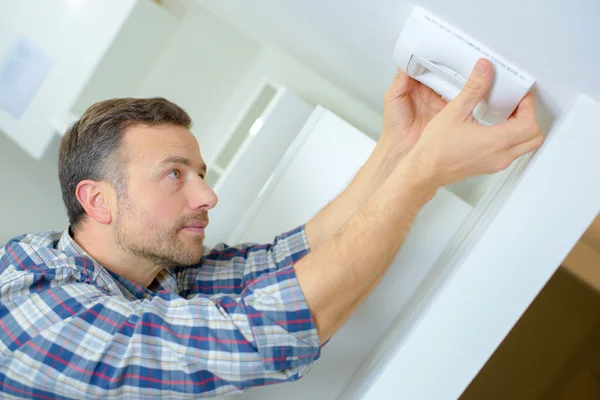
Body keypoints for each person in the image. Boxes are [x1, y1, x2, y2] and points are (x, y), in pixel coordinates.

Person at [0, 58, 543, 399]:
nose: (207, 195)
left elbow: (286, 261)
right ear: (98, 201)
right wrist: (423, 176)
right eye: (174, 175)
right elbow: (259, 336)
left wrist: (400, 147)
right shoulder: (33, 313)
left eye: (200, 175)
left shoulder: (148, 270)